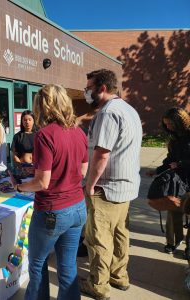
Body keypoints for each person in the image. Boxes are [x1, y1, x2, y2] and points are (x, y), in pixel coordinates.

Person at [10, 84, 88, 300]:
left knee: (37, 265)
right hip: (78, 207)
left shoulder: (44, 135)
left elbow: (42, 183)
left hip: (53, 210)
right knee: (67, 267)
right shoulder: (79, 132)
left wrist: (19, 186)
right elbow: (82, 171)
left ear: (42, 106)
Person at [81, 69, 142, 300]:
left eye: (89, 87)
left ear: (102, 88)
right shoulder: (129, 110)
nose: (87, 91)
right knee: (120, 235)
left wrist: (89, 185)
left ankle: (98, 285)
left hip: (106, 189)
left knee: (99, 240)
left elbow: (102, 155)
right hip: (125, 188)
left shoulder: (108, 113)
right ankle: (119, 276)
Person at [147, 107, 190, 254]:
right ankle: (172, 242)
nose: (169, 127)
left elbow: (179, 161)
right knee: (173, 211)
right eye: (166, 124)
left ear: (180, 121)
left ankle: (188, 247)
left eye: (171, 124)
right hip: (178, 181)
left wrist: (181, 164)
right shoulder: (174, 138)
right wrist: (157, 171)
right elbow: (169, 159)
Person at [11, 110, 36, 175]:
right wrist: (21, 168)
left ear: (33, 121)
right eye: (25, 120)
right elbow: (14, 155)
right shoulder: (17, 136)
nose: (27, 122)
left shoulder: (39, 135)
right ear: (22, 122)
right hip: (23, 168)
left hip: (36, 168)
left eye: (30, 119)